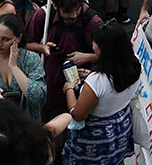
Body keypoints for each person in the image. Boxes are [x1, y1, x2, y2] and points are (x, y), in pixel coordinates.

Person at [42, 23, 140, 165]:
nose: (92, 45)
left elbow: (78, 114)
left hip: (96, 136)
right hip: (120, 126)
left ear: (105, 49)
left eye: (95, 42)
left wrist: (69, 89)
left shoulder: (97, 81)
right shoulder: (134, 65)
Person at [23, 0, 102, 120]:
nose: (74, 15)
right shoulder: (44, 15)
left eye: (77, 10)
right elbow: (25, 43)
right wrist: (42, 48)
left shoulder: (92, 22)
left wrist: (87, 57)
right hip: (47, 83)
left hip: (79, 88)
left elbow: (112, 55)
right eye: (68, 12)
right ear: (55, 6)